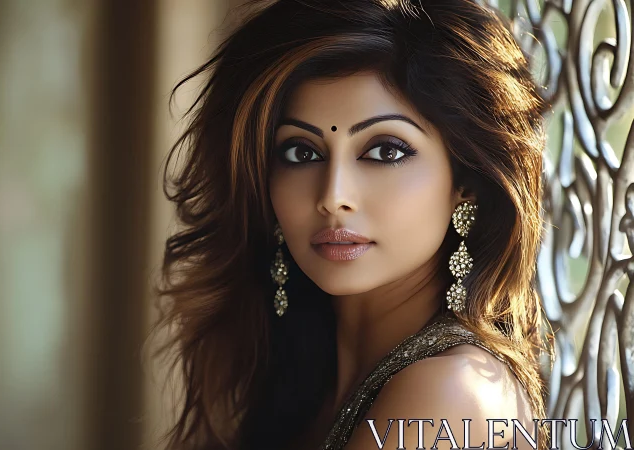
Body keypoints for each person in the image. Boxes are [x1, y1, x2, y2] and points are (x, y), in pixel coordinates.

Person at [153, 0, 554, 449]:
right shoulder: (296, 373)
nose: (332, 197)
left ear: (467, 182)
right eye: (301, 153)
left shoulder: (452, 393)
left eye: (385, 151)